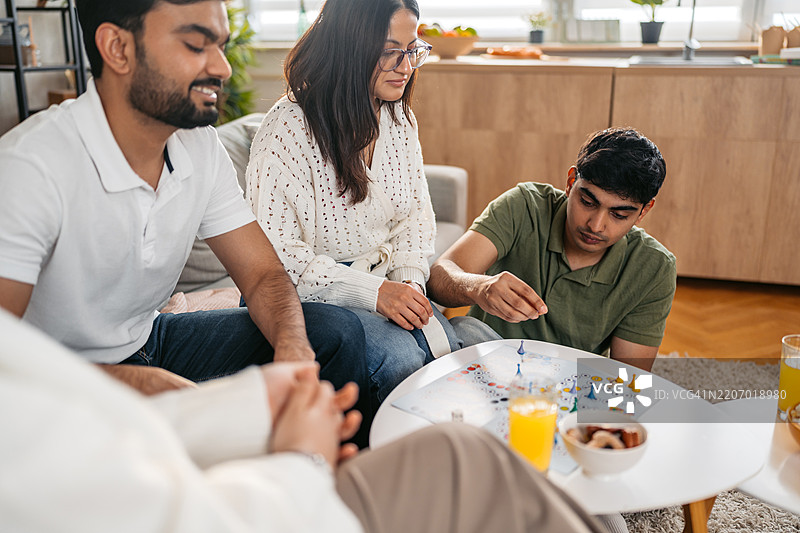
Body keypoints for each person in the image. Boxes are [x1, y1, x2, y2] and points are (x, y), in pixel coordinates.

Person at [0, 0, 374, 445]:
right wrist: (135, 385)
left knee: (334, 333)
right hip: (61, 379)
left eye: (220, 45)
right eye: (196, 44)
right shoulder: (30, 168)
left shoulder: (200, 147)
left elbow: (262, 276)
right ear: (117, 48)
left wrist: (292, 351)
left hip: (149, 341)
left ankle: (326, 488)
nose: (222, 68)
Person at [0, 308, 609, 533]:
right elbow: (167, 507)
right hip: (270, 502)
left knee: (465, 353)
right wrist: (300, 459)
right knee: (456, 448)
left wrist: (258, 397)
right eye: (197, 40)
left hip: (245, 465)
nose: (220, 61)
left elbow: (77, 405)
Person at [245, 0, 463, 406]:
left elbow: (416, 215)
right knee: (403, 363)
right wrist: (374, 292)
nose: (405, 66)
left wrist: (410, 281)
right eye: (388, 51)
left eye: (412, 49)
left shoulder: (398, 118)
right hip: (305, 298)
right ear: (349, 46)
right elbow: (275, 259)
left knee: (460, 351)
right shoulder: (289, 129)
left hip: (383, 283)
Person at [428, 128, 676, 372]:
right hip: (489, 360)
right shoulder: (525, 206)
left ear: (644, 211)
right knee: (465, 331)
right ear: (571, 183)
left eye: (619, 214)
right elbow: (439, 277)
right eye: (587, 202)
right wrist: (479, 288)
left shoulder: (654, 267)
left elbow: (628, 378)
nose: (596, 225)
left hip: (571, 383)